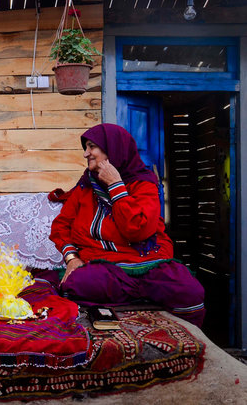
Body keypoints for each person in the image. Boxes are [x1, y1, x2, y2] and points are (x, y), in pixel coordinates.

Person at [49, 123, 205, 327]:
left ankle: (133, 296)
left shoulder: (143, 185)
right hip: (105, 267)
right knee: (73, 285)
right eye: (85, 148)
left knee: (190, 292)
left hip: (149, 263)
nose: (86, 153)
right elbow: (61, 226)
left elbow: (137, 230)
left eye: (91, 146)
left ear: (112, 149)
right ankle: (141, 296)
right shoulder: (85, 188)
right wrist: (72, 258)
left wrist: (115, 185)